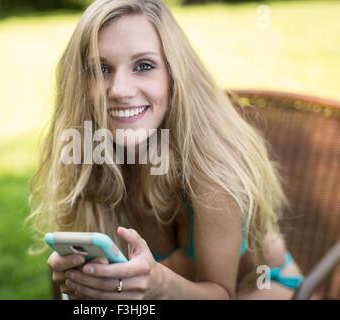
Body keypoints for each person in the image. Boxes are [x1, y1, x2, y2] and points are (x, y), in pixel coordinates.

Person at [27, 0, 305, 299]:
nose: (119, 89)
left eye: (143, 66)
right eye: (100, 69)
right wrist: (81, 278)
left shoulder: (212, 167)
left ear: (174, 75)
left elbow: (220, 293)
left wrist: (159, 283)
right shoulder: (90, 151)